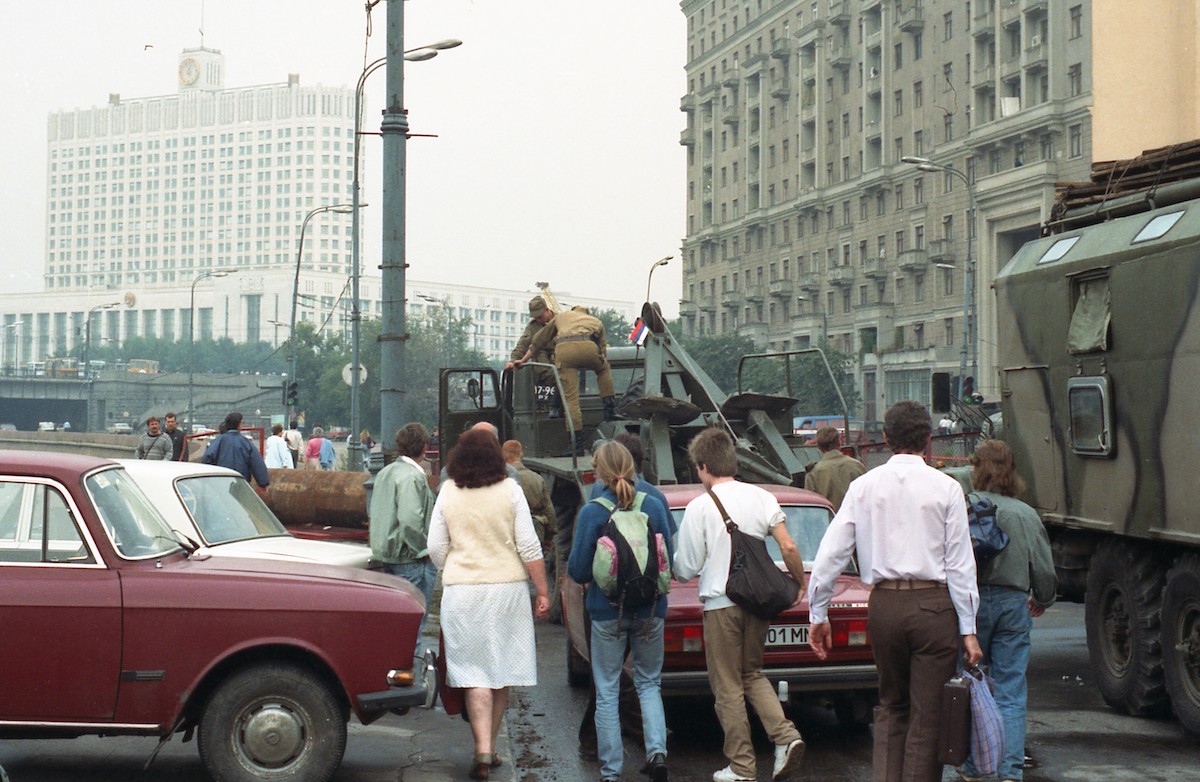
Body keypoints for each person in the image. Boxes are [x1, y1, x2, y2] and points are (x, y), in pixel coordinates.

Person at [807, 400, 982, 782]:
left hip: (883, 605)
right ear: (929, 439)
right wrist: (968, 629)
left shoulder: (863, 487)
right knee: (927, 715)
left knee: (891, 706)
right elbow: (960, 564)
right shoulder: (947, 488)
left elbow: (831, 553)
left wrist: (818, 613)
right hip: (934, 608)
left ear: (885, 439)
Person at [673, 428, 808, 782]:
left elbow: (685, 568)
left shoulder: (700, 506)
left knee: (728, 686)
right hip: (758, 603)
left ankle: (742, 767)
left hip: (721, 605)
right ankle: (786, 736)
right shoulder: (762, 497)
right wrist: (799, 584)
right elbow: (789, 547)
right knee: (753, 674)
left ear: (703, 467)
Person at [427, 427, 550, 780]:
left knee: (472, 672)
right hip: (507, 590)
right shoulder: (510, 490)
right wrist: (542, 591)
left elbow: (435, 546)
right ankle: (490, 748)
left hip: (462, 592)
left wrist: (454, 565)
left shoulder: (448, 491)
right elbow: (529, 545)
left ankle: (481, 747)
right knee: (500, 671)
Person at [567, 440, 672, 782]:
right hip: (651, 610)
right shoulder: (654, 505)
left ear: (598, 471)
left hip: (607, 612)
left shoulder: (593, 512)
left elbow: (579, 571)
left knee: (608, 689)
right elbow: (668, 557)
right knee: (649, 683)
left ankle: (611, 770)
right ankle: (657, 753)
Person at [957, 440, 1056, 782]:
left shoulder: (964, 507)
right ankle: (1010, 771)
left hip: (970, 604)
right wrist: (1042, 598)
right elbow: (1044, 569)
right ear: (1012, 472)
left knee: (968, 685)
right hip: (1014, 605)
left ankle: (971, 765)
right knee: (1011, 690)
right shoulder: (1025, 513)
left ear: (976, 468)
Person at [370, 423, 438, 638]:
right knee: (413, 628)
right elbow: (410, 520)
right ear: (424, 447)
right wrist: (424, 551)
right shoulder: (413, 477)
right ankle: (412, 669)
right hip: (410, 557)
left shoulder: (386, 472)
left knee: (396, 626)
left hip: (387, 552)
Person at [514, 304, 618, 432]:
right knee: (603, 369)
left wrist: (521, 360)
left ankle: (576, 441)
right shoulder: (596, 321)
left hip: (565, 353)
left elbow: (538, 341)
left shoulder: (562, 316)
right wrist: (598, 362)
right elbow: (603, 351)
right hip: (589, 347)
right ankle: (610, 409)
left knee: (571, 400)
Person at [504, 295, 562, 418]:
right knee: (544, 365)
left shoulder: (561, 320)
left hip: (561, 355)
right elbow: (523, 344)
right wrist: (513, 360)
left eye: (540, 316)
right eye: (535, 317)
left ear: (547, 310)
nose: (538, 319)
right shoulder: (533, 327)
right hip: (543, 358)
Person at [502, 439, 557, 553]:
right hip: (534, 530)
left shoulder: (499, 478)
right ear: (521, 454)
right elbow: (549, 510)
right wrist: (549, 537)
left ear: (503, 455)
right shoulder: (537, 478)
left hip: (508, 532)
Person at [803, 425, 866, 512]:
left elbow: (810, 507)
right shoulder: (857, 466)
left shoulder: (814, 473)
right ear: (838, 442)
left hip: (829, 521)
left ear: (819, 447)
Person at [201, 411, 270, 488]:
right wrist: (263, 483)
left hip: (220, 481)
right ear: (239, 425)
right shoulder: (246, 443)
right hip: (241, 482)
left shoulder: (217, 441)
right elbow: (257, 463)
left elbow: (207, 458)